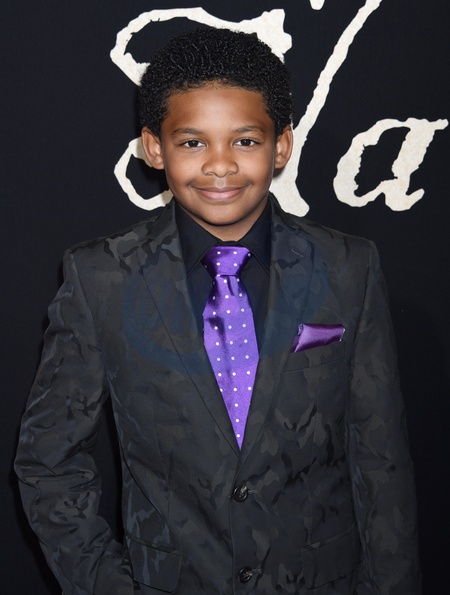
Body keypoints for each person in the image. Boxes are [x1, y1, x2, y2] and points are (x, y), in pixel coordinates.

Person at [15, 27, 420, 594]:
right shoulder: (101, 278)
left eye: (245, 141)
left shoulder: (349, 268)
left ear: (282, 146)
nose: (221, 166)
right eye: (193, 143)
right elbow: (49, 461)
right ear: (154, 148)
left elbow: (382, 464)